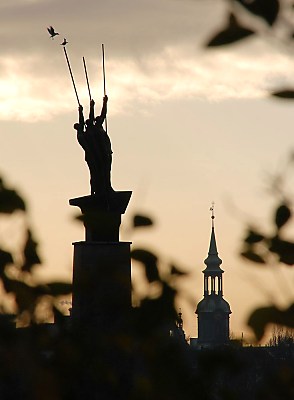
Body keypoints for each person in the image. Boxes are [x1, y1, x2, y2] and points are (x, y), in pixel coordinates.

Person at [73, 96, 113, 195]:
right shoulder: (89, 132)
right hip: (97, 155)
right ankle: (96, 190)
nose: (98, 119)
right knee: (97, 173)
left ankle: (105, 188)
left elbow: (102, 114)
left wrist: (104, 103)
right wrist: (90, 108)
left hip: (104, 153)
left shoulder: (94, 129)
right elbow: (90, 118)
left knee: (104, 172)